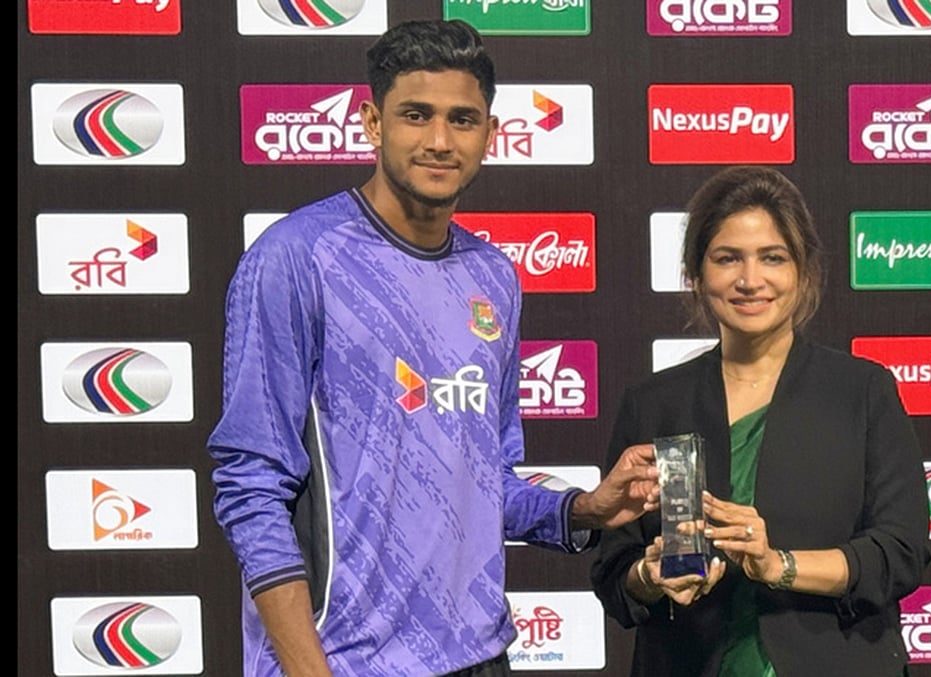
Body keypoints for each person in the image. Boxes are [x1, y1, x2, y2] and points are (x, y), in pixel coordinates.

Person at [206, 19, 658, 677]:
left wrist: (581, 509)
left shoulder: (493, 276)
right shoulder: (296, 259)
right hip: (344, 662)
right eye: (416, 115)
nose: (440, 141)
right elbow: (249, 487)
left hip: (480, 655)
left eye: (462, 119)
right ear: (371, 122)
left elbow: (484, 478)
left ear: (491, 135)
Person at [590, 166, 930, 677]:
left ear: (804, 271)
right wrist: (649, 575)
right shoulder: (653, 403)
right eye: (728, 259)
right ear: (697, 273)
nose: (750, 281)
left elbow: (901, 553)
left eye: (773, 257)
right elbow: (613, 572)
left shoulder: (862, 391)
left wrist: (778, 565)